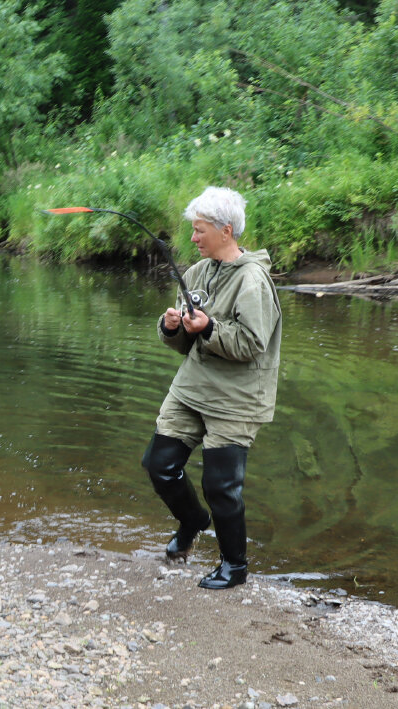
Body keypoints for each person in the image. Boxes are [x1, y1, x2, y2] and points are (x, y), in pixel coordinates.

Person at [141, 186, 281, 590]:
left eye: (199, 230)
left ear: (226, 230)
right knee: (159, 466)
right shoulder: (198, 273)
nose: (192, 238)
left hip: (236, 400)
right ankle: (193, 522)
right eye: (192, 230)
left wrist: (211, 327)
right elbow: (187, 344)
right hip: (191, 389)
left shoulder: (253, 281)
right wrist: (172, 328)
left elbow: (252, 345)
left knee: (220, 486)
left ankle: (235, 566)